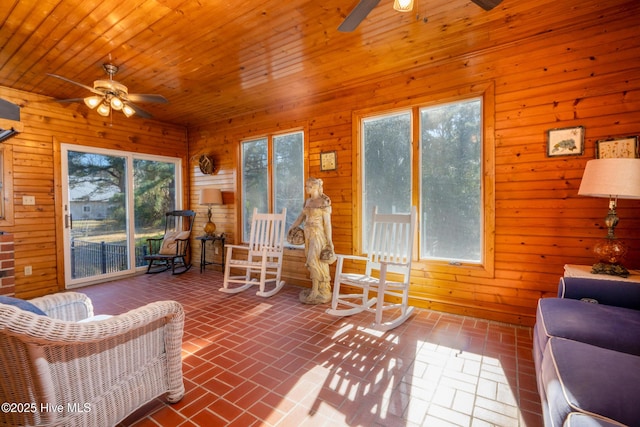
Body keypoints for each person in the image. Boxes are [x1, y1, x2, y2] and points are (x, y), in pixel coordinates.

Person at [288, 177, 336, 304]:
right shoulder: (308, 202)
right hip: (307, 234)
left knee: (313, 261)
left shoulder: (323, 202)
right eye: (306, 186)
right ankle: (316, 288)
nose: (306, 188)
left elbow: (327, 224)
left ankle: (317, 291)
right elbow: (301, 217)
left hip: (318, 235)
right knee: (310, 262)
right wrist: (292, 227)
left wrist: (330, 241)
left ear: (315, 188)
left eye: (309, 186)